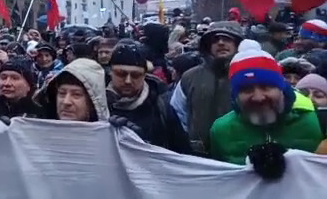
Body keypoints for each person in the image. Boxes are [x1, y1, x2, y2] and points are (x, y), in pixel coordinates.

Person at [210, 40, 325, 165]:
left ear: (281, 88)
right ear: (235, 96)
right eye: (246, 90)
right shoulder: (221, 130)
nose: (258, 97)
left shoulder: (315, 120)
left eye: (266, 87)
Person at [169, 21, 244, 155]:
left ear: (238, 44)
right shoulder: (190, 77)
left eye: (227, 39)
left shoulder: (250, 75)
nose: (220, 43)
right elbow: (177, 113)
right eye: (215, 40)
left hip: (239, 155)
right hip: (198, 157)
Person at [106, 44, 191, 154]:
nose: (128, 81)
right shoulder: (95, 104)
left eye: (135, 75)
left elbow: (182, 152)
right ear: (110, 73)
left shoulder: (161, 107)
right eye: (121, 74)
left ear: (144, 76)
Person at [39, 58, 110, 122]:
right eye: (62, 93)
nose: (66, 102)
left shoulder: (110, 135)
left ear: (92, 102)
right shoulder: (39, 133)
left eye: (76, 94)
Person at [0, 57, 44, 126]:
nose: (7, 83)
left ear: (29, 85)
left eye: (15, 78)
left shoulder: (42, 113)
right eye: (3, 78)